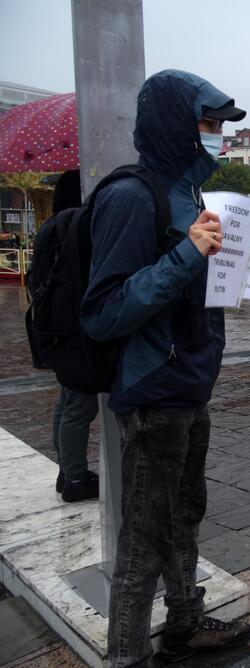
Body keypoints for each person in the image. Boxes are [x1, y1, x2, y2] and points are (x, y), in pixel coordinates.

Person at [80, 70, 250, 666]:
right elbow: (103, 312)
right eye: (208, 123)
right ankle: (128, 656)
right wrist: (189, 252)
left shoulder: (193, 197)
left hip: (191, 383)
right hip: (153, 392)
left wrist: (245, 259)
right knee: (144, 539)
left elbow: (199, 292)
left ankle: (186, 621)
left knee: (186, 514)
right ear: (174, 125)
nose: (217, 135)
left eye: (219, 125)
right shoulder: (130, 198)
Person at [48, 169, 100, 502]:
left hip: (56, 329)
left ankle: (66, 470)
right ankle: (75, 479)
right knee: (80, 406)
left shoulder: (52, 226)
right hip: (76, 331)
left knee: (66, 401)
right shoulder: (74, 226)